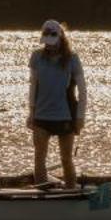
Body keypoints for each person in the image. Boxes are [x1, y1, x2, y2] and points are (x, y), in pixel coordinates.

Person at [27, 20, 86, 187]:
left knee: (66, 158)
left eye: (53, 42)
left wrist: (80, 117)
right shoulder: (36, 57)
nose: (49, 46)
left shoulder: (72, 59)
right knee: (39, 156)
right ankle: (40, 194)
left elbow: (82, 91)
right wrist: (31, 112)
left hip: (65, 115)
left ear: (61, 38)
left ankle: (71, 191)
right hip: (41, 115)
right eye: (46, 42)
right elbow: (33, 86)